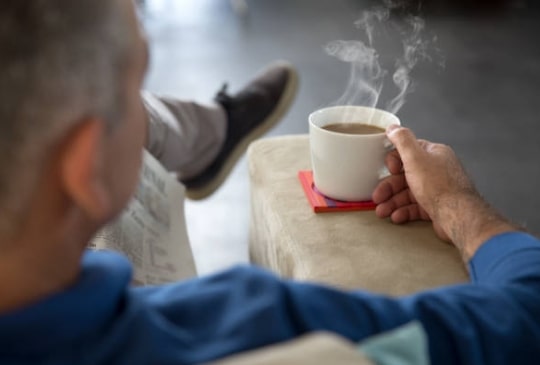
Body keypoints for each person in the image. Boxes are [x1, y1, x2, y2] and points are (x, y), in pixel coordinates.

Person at [0, 1, 539, 365]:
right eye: (138, 87)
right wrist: (455, 205)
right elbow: (525, 318)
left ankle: (209, 134)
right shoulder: (257, 323)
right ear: (88, 167)